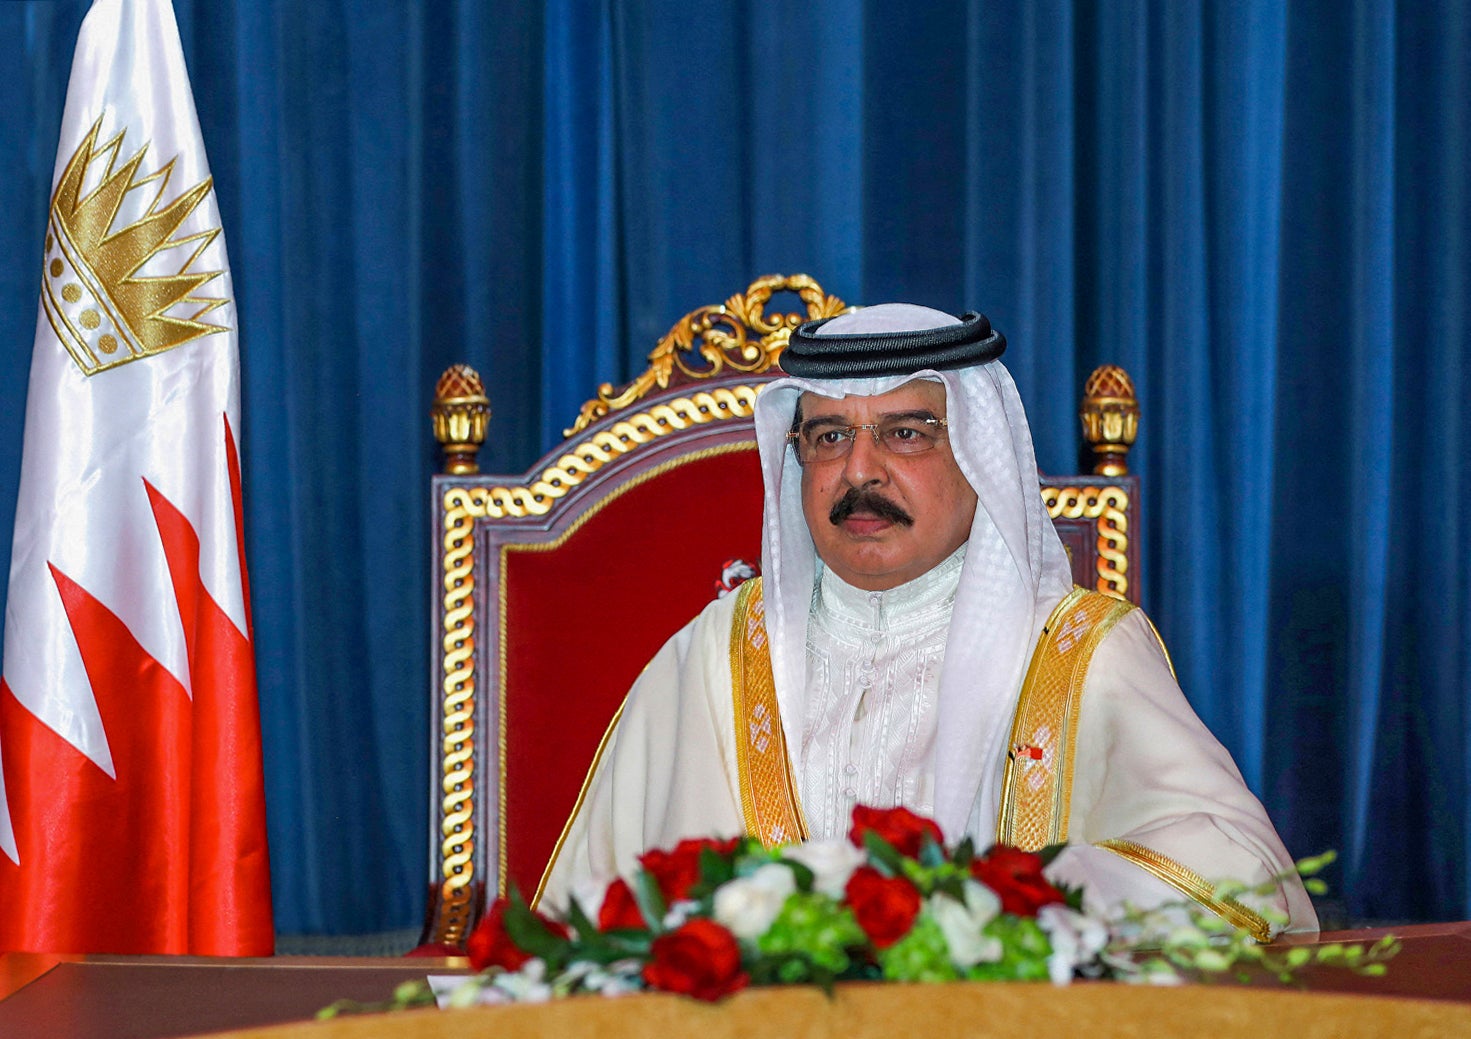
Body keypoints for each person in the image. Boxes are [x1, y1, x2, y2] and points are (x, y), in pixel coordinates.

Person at [537, 303, 1316, 937]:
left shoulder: (1081, 653)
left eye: (906, 433)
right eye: (830, 436)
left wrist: (1020, 904)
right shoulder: (712, 656)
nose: (860, 470)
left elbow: (1249, 878)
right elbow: (574, 932)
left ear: (979, 456)